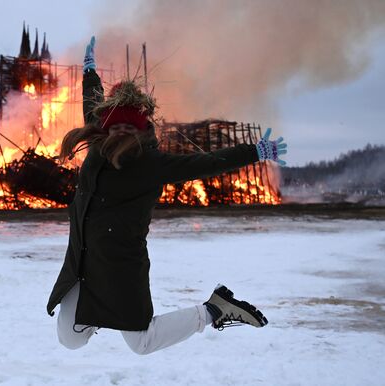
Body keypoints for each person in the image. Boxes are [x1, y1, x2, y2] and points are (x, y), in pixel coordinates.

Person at [46, 36, 287, 355]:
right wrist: (89, 69)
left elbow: (207, 163)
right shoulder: (98, 141)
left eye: (128, 129)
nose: (120, 133)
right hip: (81, 260)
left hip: (121, 267)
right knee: (70, 337)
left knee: (142, 343)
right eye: (115, 127)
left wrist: (254, 152)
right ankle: (98, 314)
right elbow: (92, 98)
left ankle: (214, 309)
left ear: (141, 130)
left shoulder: (151, 163)